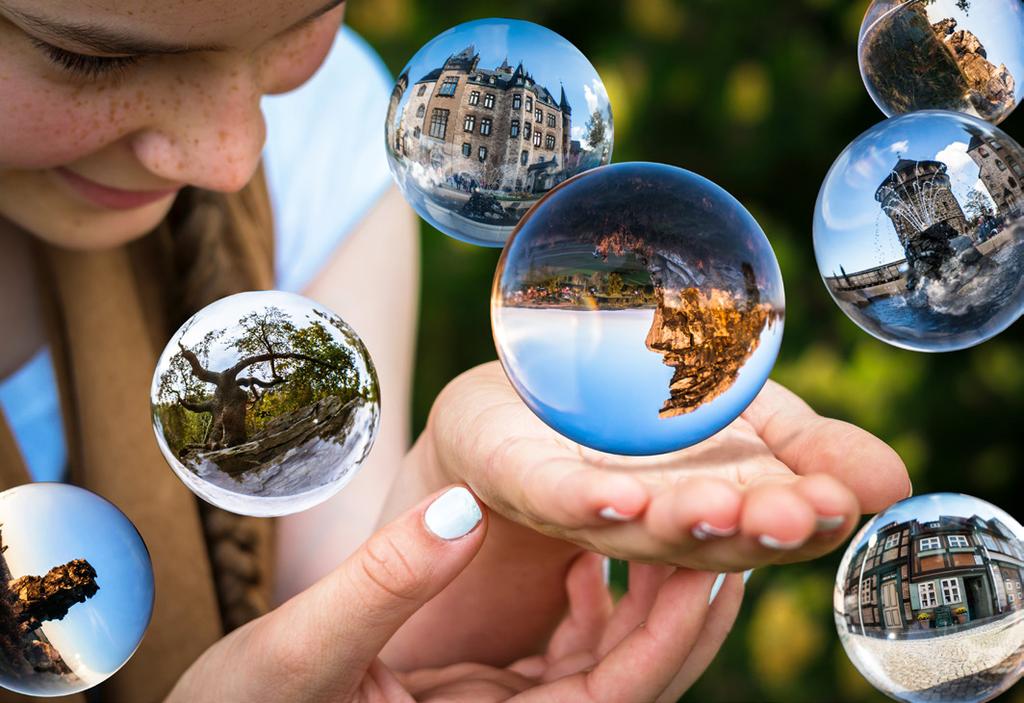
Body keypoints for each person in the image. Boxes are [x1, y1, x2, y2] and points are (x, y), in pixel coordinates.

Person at [0, 1, 912, 701]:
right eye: (90, 56)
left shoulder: (330, 135)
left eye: (302, 23)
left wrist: (485, 527)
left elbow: (356, 646)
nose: (232, 156)